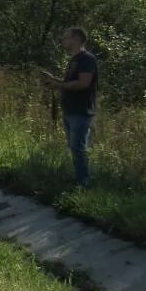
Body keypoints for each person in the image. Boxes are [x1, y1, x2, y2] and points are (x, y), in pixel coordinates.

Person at [41, 27, 99, 188]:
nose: (63, 40)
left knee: (78, 148)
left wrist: (58, 84)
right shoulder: (73, 60)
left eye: (66, 37)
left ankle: (84, 183)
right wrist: (54, 81)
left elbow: (83, 83)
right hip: (70, 110)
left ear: (76, 38)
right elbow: (68, 83)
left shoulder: (86, 59)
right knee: (75, 147)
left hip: (81, 111)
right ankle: (80, 179)